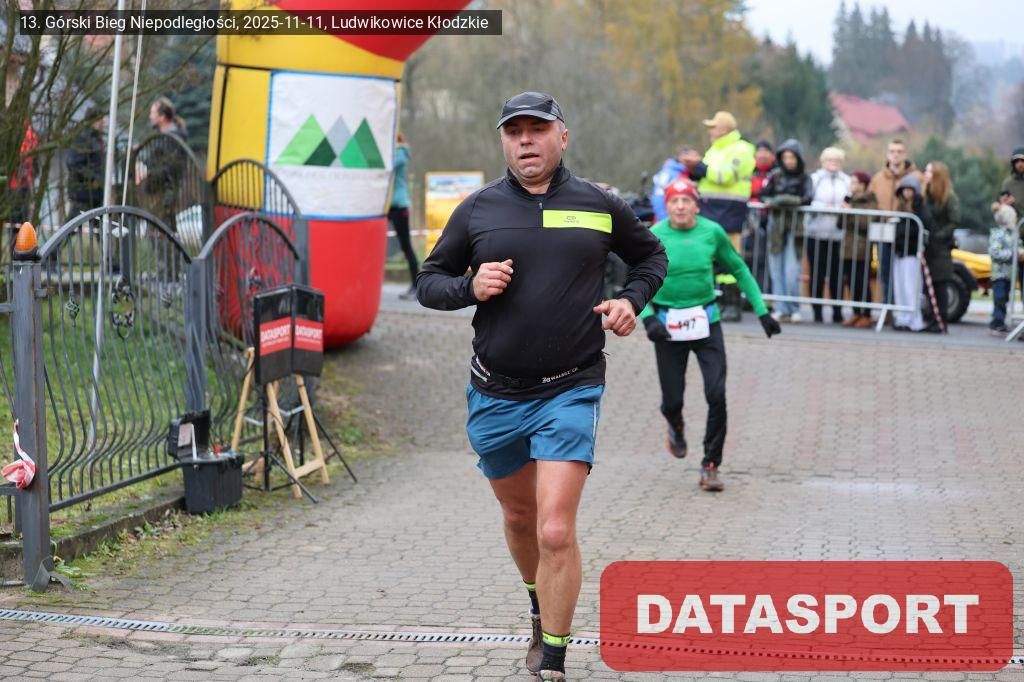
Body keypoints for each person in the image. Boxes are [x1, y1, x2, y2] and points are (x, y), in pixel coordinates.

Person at [416, 91, 667, 681]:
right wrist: (469, 288)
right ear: (504, 141)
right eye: (514, 131)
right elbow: (428, 281)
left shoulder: (599, 203)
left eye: (537, 129)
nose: (525, 140)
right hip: (495, 392)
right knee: (519, 517)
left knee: (555, 528)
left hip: (570, 387)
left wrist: (630, 301)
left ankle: (552, 658)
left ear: (563, 136)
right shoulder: (479, 209)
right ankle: (538, 603)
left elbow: (651, 258)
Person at [640, 178, 779, 492]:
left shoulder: (712, 232)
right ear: (667, 206)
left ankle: (711, 464)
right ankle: (675, 424)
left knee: (716, 394)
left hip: (706, 322)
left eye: (686, 201)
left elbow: (739, 269)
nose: (680, 207)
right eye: (674, 201)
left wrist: (762, 312)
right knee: (672, 400)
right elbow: (638, 278)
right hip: (667, 324)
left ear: (696, 206)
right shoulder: (654, 235)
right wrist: (648, 318)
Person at [682, 111, 756, 322]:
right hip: (711, 208)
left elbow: (725, 176)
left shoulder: (741, 149)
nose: (710, 131)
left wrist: (700, 166)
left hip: (729, 209)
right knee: (711, 256)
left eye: (713, 127)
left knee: (729, 257)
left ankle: (733, 305)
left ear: (724, 129)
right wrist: (694, 169)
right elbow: (708, 176)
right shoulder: (714, 150)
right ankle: (721, 302)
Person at [761, 139, 813, 323]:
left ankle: (794, 307)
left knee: (792, 270)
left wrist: (781, 200)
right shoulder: (775, 176)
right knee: (776, 269)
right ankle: (781, 307)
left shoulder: (805, 178)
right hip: (776, 227)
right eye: (785, 157)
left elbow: (807, 198)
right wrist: (774, 201)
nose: (789, 161)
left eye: (792, 157)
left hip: (795, 227)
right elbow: (764, 195)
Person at [868, 139, 924, 306]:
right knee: (885, 272)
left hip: (906, 235)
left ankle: (906, 310)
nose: (895, 155)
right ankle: (888, 308)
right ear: (887, 154)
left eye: (899, 151)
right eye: (892, 151)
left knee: (905, 275)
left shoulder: (916, 177)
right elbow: (870, 201)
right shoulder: (878, 178)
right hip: (884, 231)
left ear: (905, 154)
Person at [805, 147, 850, 324]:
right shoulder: (815, 179)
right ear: (823, 162)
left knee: (836, 274)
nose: (833, 164)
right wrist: (826, 207)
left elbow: (849, 201)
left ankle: (837, 311)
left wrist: (840, 208)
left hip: (838, 235)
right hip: (815, 234)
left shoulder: (846, 180)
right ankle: (816, 311)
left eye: (837, 161)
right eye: (830, 160)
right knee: (817, 273)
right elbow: (808, 200)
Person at [923, 161, 960, 330]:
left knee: (940, 285)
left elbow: (954, 221)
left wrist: (940, 235)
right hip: (928, 247)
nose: (925, 174)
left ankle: (940, 321)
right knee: (928, 285)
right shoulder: (926, 194)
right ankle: (931, 318)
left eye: (929, 171)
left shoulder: (948, 197)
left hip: (941, 248)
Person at [892, 174, 931, 332]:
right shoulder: (900, 207)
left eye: (910, 190)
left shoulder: (920, 208)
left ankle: (914, 319)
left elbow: (920, 227)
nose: (907, 193)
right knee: (900, 287)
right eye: (904, 190)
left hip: (912, 253)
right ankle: (902, 318)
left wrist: (903, 230)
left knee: (911, 288)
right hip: (900, 252)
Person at [841, 171, 877, 328]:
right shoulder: (850, 200)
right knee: (850, 281)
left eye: (855, 182)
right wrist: (843, 211)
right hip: (848, 247)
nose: (852, 185)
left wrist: (851, 212)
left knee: (862, 282)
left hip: (862, 248)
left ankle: (866, 314)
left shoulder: (870, 201)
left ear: (863, 185)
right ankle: (856, 312)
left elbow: (866, 223)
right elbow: (840, 224)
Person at [390, 132, 419, 300]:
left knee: (406, 246)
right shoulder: (393, 153)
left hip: (399, 205)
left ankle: (417, 285)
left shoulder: (400, 153)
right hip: (388, 205)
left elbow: (390, 168)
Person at [745, 139, 775, 293]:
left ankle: (765, 293)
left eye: (766, 151)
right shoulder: (748, 171)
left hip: (770, 221)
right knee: (750, 257)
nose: (762, 155)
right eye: (759, 151)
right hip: (749, 222)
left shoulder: (776, 172)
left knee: (766, 260)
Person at [66, 108, 106, 216]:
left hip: (93, 194)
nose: (104, 123)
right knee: (76, 220)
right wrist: (93, 178)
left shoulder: (95, 139)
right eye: (102, 119)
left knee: (96, 222)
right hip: (83, 193)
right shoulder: (83, 138)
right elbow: (73, 163)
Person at [989, 195, 1019, 335]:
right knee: (999, 298)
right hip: (999, 274)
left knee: (1004, 298)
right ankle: (996, 323)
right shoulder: (999, 234)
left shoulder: (1013, 234)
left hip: (1009, 274)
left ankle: (1000, 321)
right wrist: (1013, 254)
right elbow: (994, 252)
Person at [650, 145, 693, 223]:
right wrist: (664, 219)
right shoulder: (668, 173)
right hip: (668, 220)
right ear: (682, 157)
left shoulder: (681, 171)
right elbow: (658, 196)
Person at [1000, 147, 1024, 221]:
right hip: (1016, 223)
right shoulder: (1008, 183)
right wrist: (1005, 203)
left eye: (1022, 161)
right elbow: (1002, 205)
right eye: (1017, 161)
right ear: (1013, 164)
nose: (1020, 164)